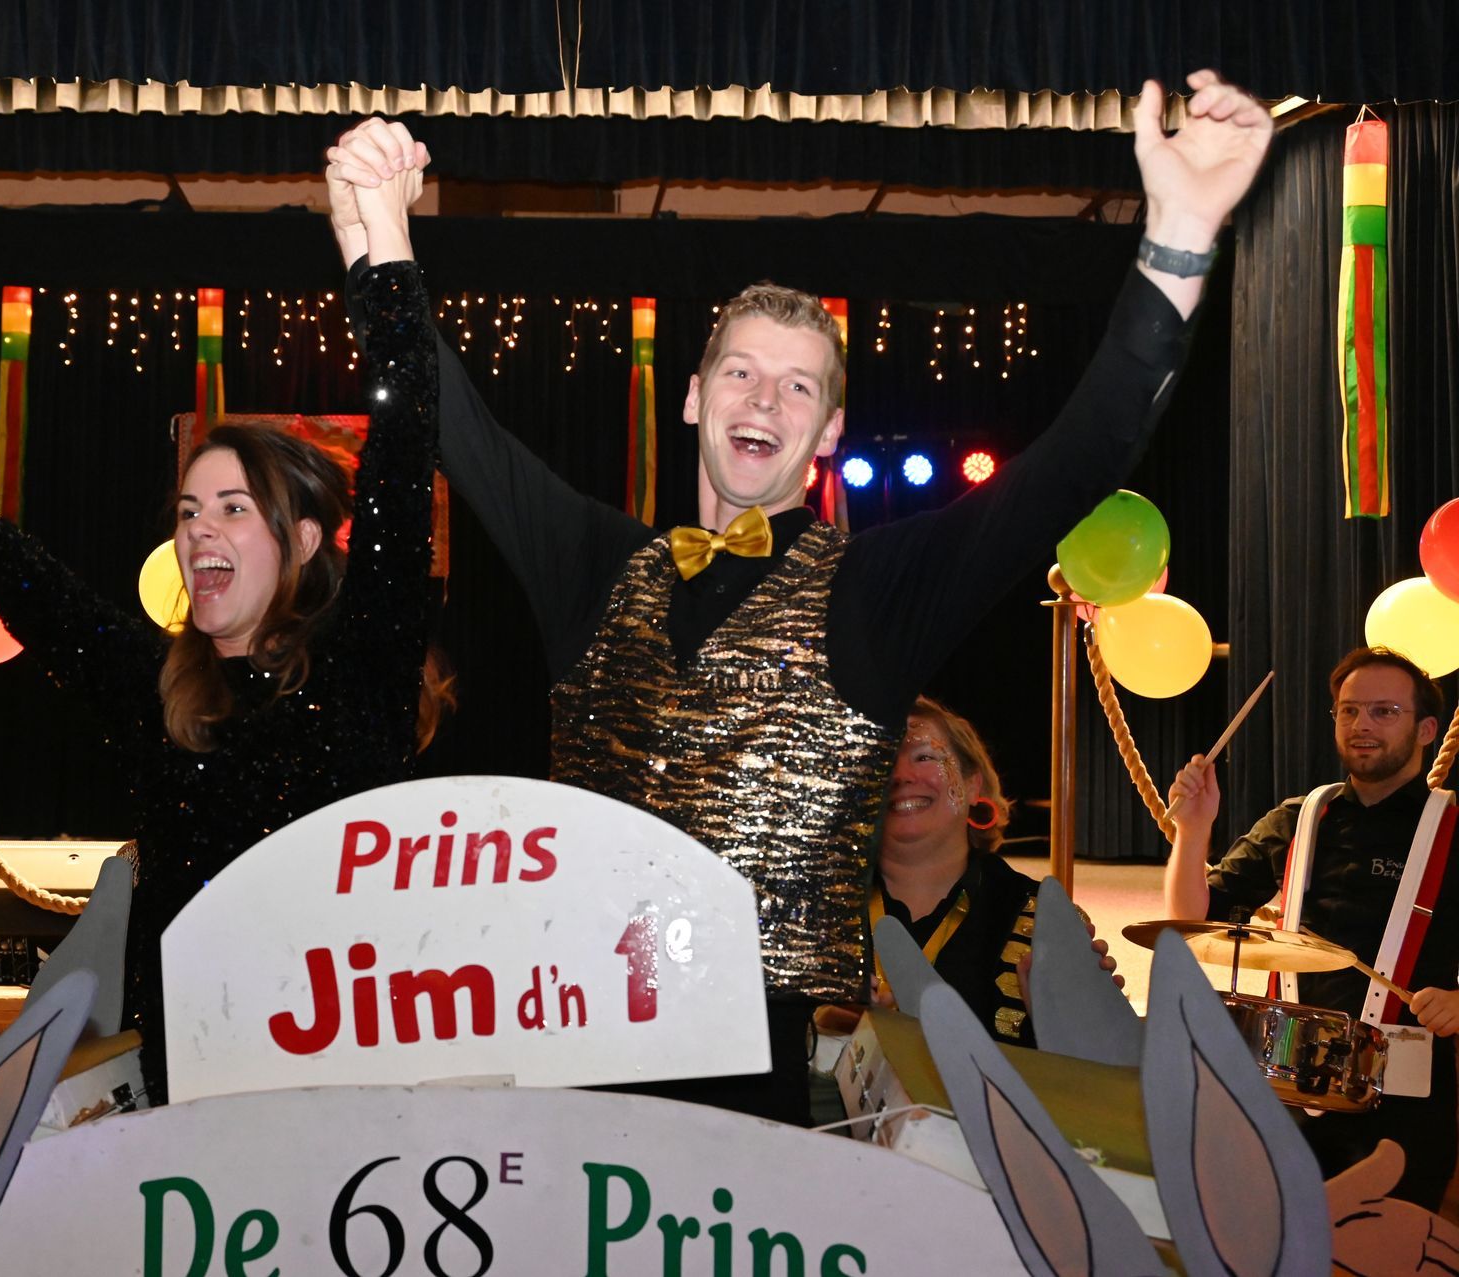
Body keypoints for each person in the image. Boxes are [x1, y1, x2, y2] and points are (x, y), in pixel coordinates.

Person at [328, 71, 1272, 1123]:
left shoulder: (873, 590)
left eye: (798, 385)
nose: (764, 399)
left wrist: (1181, 233)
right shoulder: (594, 562)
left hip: (752, 1107)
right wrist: (376, 231)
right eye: (741, 373)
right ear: (697, 398)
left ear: (826, 432)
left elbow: (1077, 459)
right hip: (571, 1071)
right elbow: (450, 425)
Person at [0, 163, 441, 1105]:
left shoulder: (363, 672)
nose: (200, 529)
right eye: (189, 509)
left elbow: (405, 452)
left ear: (301, 540)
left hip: (342, 1099)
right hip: (179, 1104)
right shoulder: (154, 690)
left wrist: (382, 241)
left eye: (233, 508)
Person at [1164, 646, 1459, 1211]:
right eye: (1349, 711)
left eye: (1384, 711)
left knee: (1382, 1239)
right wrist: (1193, 831)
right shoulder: (1297, 818)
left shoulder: (1453, 826)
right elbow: (1191, 921)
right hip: (1290, 1082)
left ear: (1426, 730)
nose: (1361, 724)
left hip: (1404, 1094)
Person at [874, 698, 1120, 1048]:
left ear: (973, 784)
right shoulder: (817, 912)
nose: (901, 775)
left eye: (924, 757)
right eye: (883, 758)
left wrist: (1069, 1025)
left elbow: (1095, 1066)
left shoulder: (1043, 922)